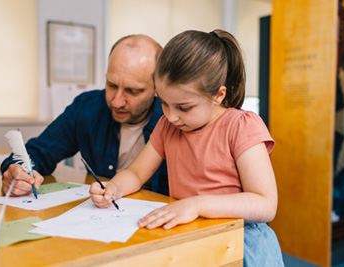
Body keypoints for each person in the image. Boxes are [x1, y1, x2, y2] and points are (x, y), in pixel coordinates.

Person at [90, 29, 284, 266]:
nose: (171, 116)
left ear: (218, 95)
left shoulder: (241, 126)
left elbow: (265, 204)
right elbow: (136, 173)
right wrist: (114, 188)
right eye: (164, 103)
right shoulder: (168, 126)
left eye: (184, 107)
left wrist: (197, 204)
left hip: (240, 243)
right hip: (191, 237)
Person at [1, 34, 169, 197]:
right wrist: (18, 172)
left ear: (157, 88)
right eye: (111, 85)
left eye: (133, 91)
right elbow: (39, 151)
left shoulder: (173, 120)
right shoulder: (87, 108)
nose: (117, 102)